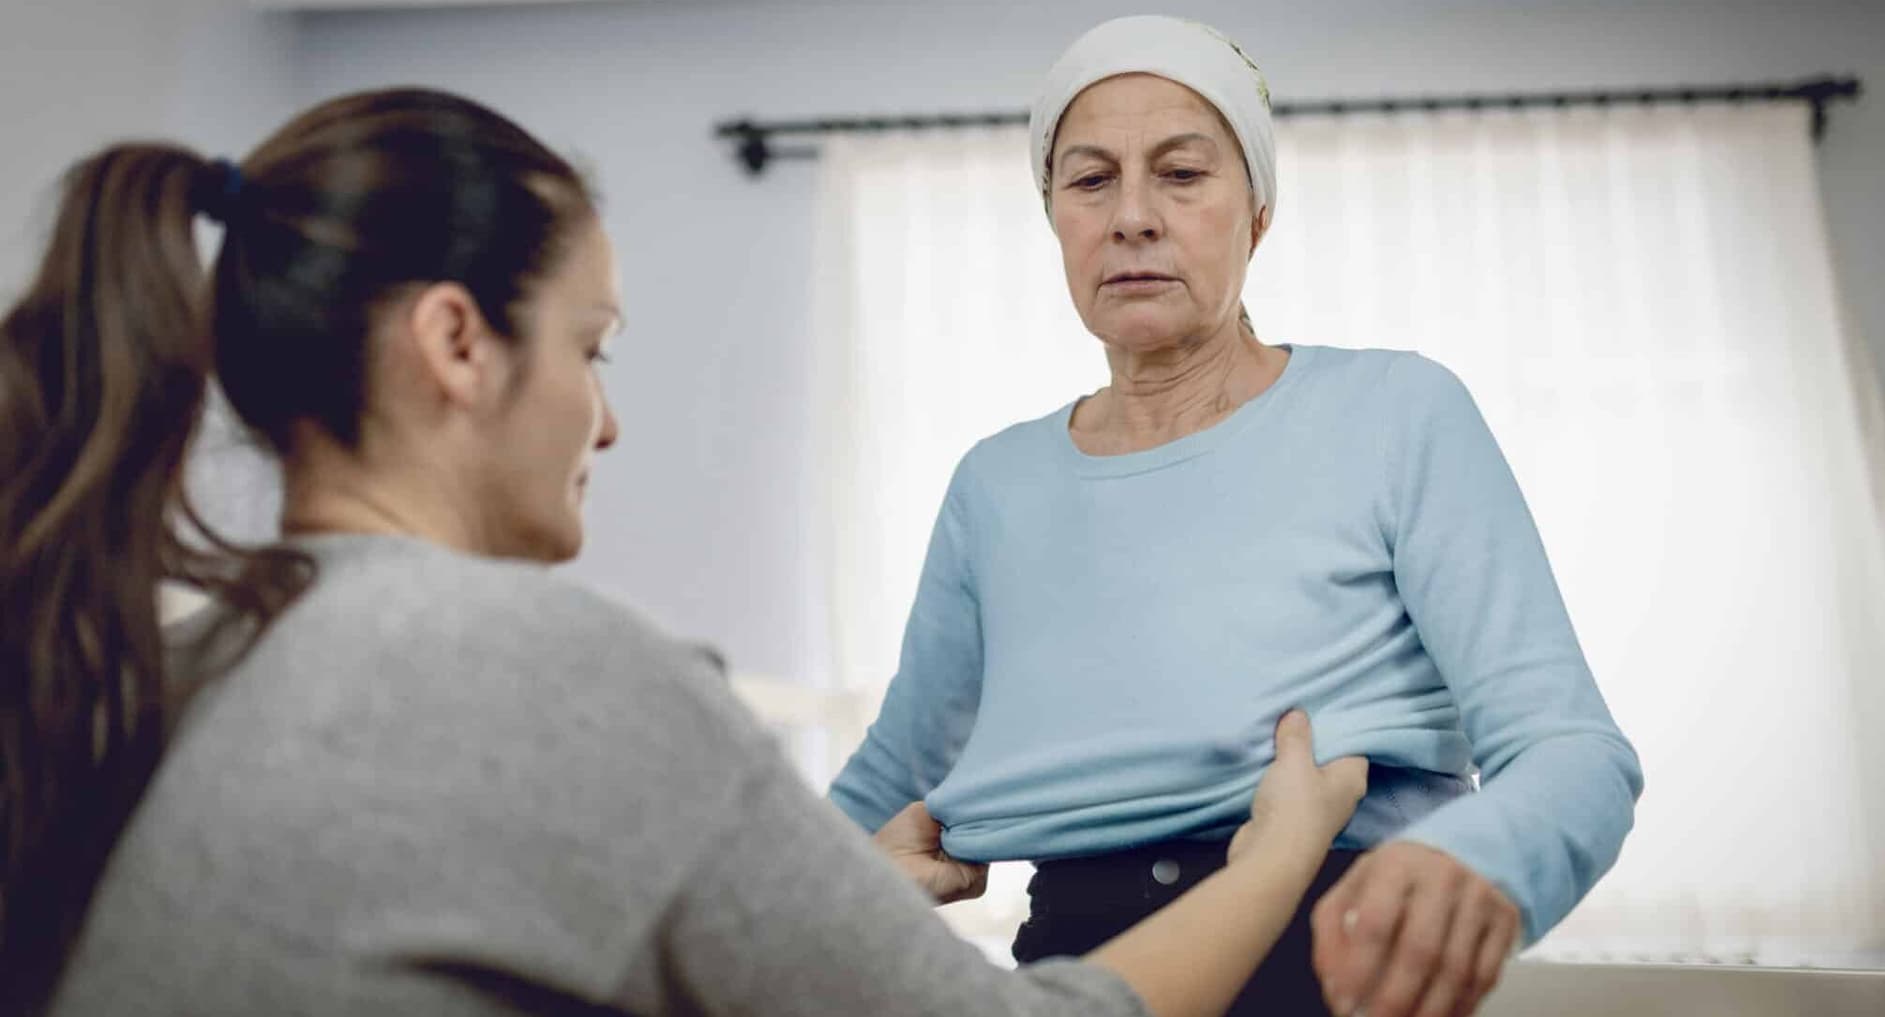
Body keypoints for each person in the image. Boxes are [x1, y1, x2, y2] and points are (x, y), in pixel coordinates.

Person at [0, 86, 1366, 1017]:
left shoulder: (196, 659)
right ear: (458, 344)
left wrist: (825, 900)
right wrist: (1276, 859)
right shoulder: (548, 666)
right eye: (591, 349)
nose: (606, 420)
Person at [827, 16, 1645, 1017]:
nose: (1132, 217)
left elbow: (1573, 751)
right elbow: (889, 781)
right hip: (1083, 979)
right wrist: (751, 909)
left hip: (1342, 958)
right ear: (1055, 220)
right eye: (1090, 181)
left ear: (1257, 214)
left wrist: (1472, 859)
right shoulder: (994, 486)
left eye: (1180, 174)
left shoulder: (1398, 414)